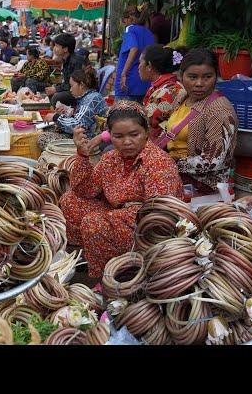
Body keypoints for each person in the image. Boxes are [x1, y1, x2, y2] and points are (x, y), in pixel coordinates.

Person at [59, 101, 184, 277]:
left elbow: (160, 214)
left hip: (146, 225)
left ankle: (114, 276)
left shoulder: (158, 162)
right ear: (109, 135)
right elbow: (84, 190)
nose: (127, 142)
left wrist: (111, 218)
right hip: (117, 213)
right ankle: (93, 253)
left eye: (134, 134)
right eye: (118, 136)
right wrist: (82, 154)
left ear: (146, 133)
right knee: (70, 201)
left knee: (93, 223)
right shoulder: (110, 158)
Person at [162, 48, 238, 193]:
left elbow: (211, 162)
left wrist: (167, 163)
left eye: (207, 77)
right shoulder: (182, 97)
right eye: (192, 77)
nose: (199, 83)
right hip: (173, 171)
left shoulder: (219, 109)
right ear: (181, 76)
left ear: (216, 77)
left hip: (204, 184)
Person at [38, 67, 108, 151]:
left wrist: (56, 117)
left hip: (88, 141)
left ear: (81, 85)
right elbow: (83, 118)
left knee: (42, 138)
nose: (70, 90)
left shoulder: (91, 99)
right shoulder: (89, 97)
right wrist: (67, 114)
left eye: (72, 86)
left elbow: (77, 125)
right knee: (47, 128)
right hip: (83, 135)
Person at [137, 45, 187, 142]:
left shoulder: (165, 92)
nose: (138, 67)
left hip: (160, 146)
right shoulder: (166, 86)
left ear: (149, 66)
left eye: (140, 63)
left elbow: (145, 123)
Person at [114, 5, 155, 102]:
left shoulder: (130, 29)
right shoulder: (149, 33)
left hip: (128, 83)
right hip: (144, 84)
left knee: (122, 116)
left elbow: (134, 48)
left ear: (128, 19)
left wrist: (123, 74)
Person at [45, 33, 84, 107]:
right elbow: (63, 79)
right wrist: (55, 86)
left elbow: (75, 84)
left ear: (65, 49)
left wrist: (56, 89)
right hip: (70, 88)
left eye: (57, 46)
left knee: (56, 97)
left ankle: (59, 116)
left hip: (79, 91)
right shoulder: (65, 59)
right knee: (50, 90)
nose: (54, 48)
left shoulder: (75, 61)